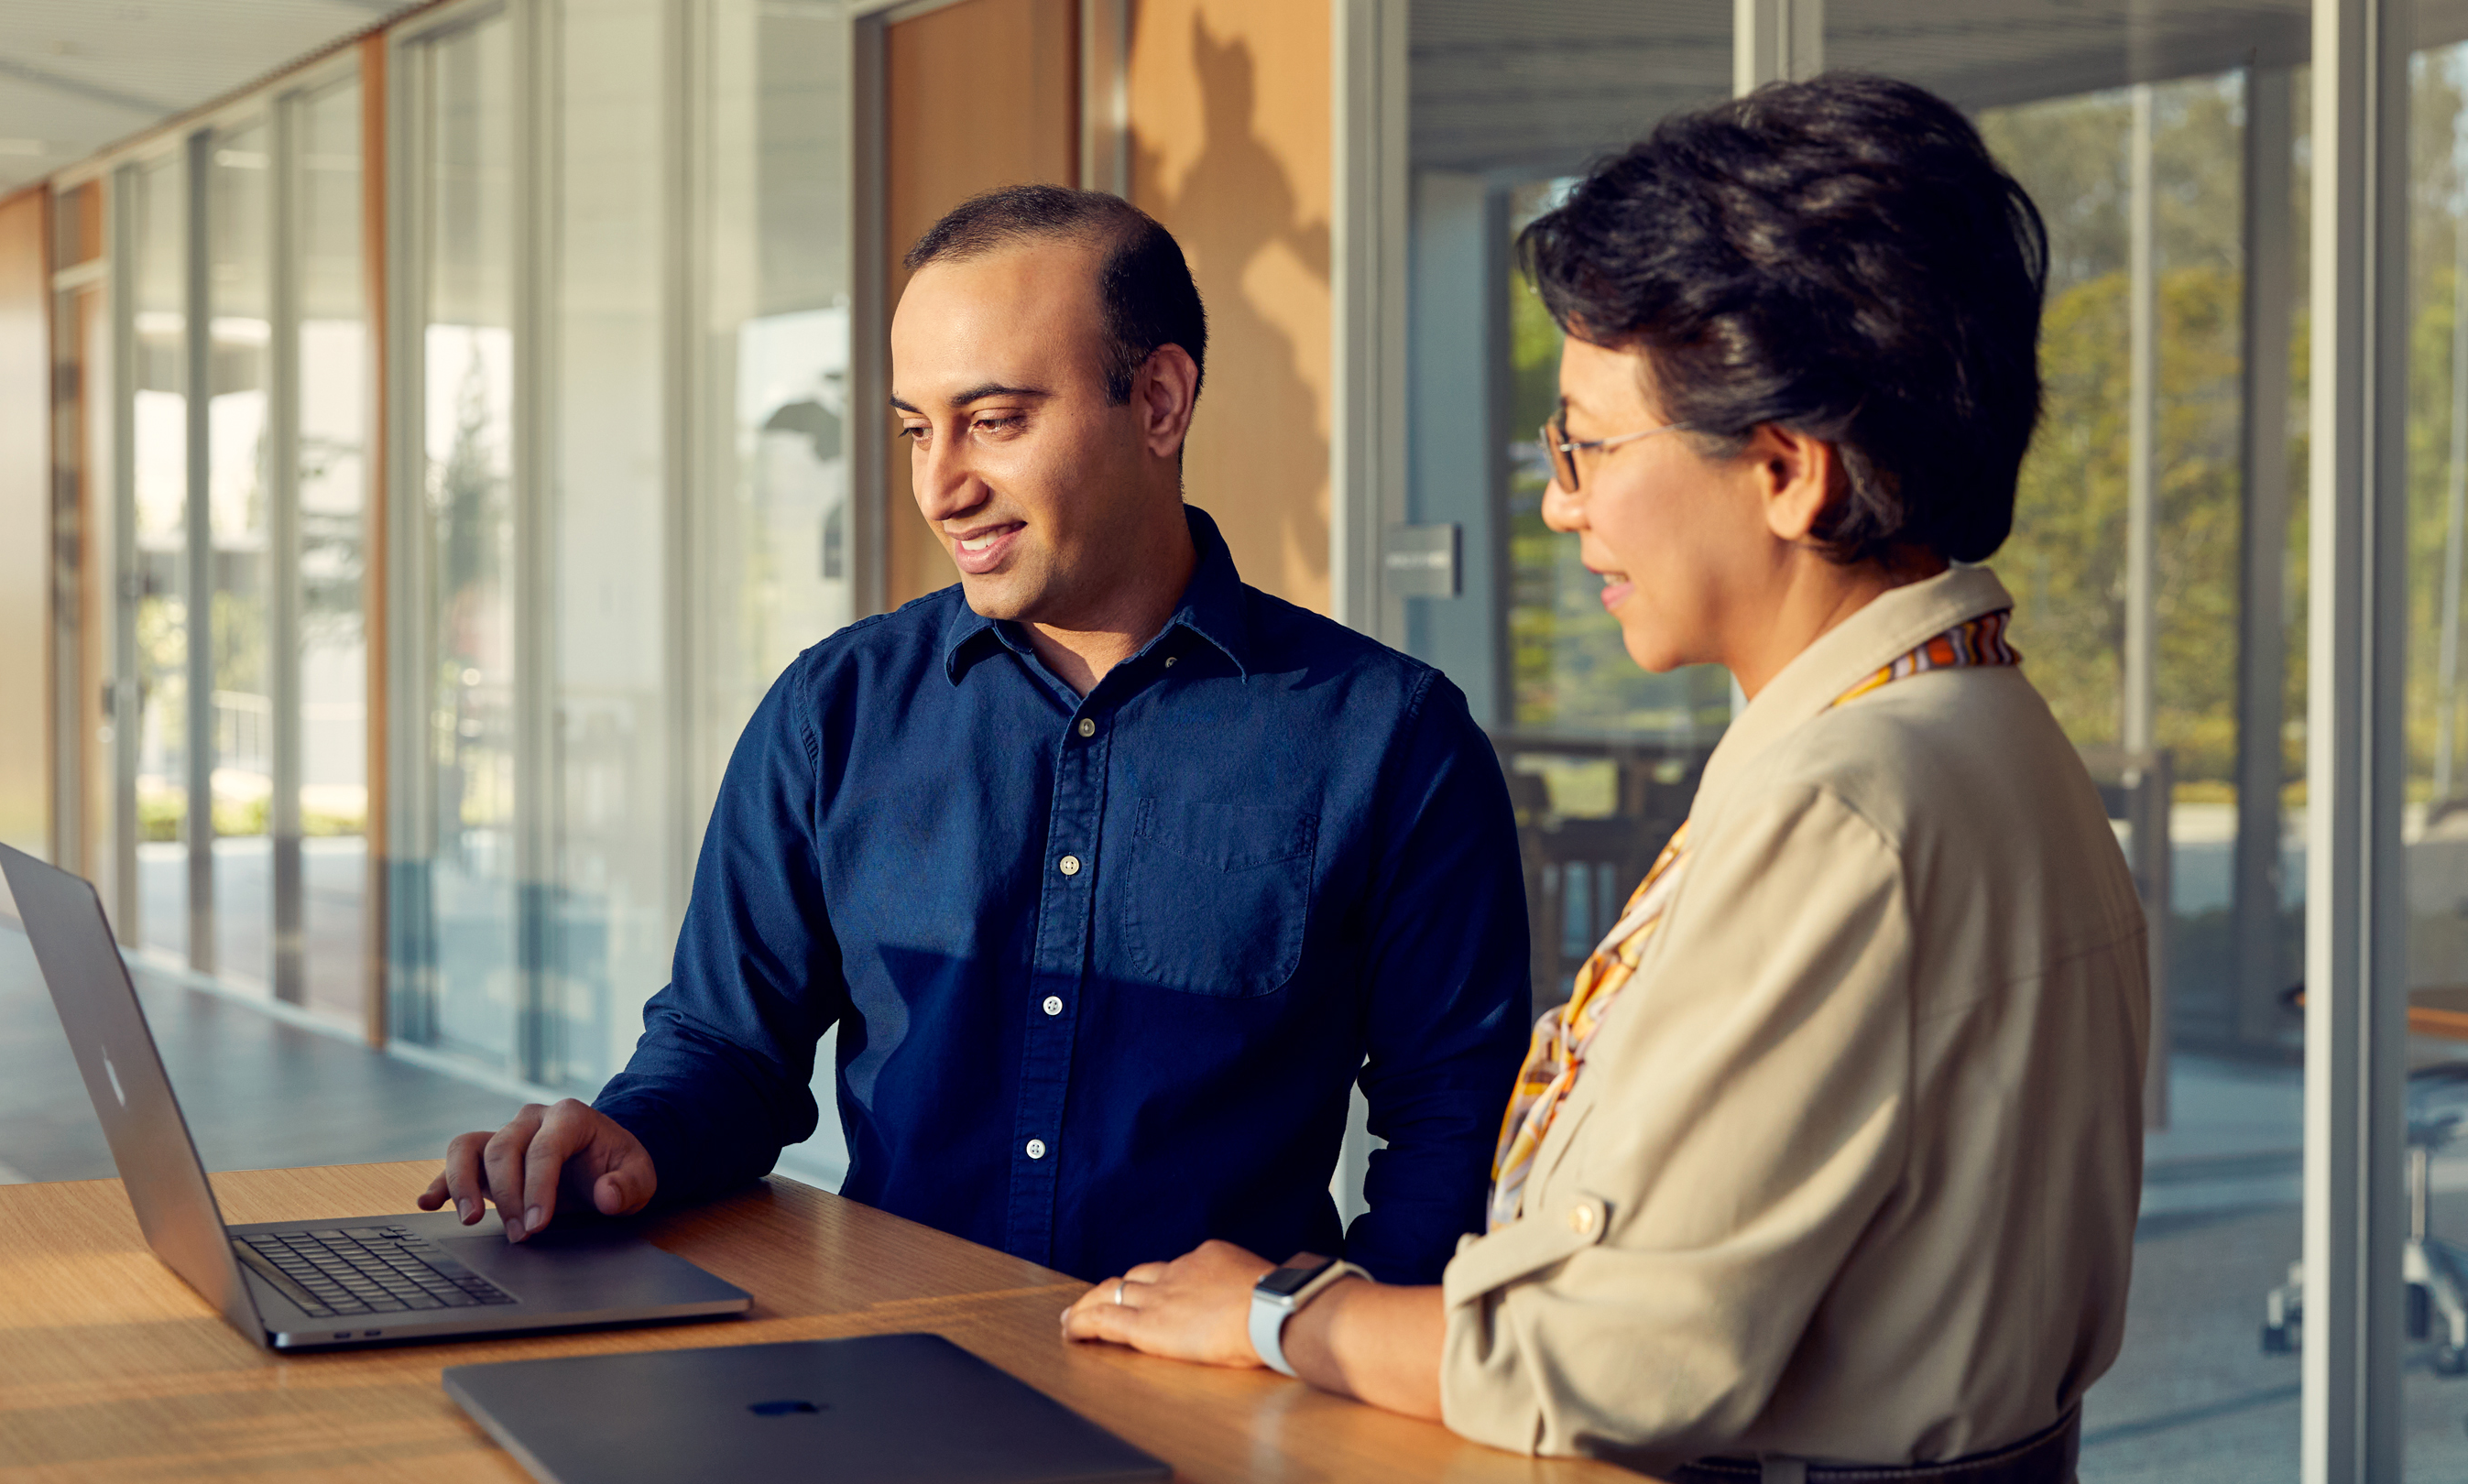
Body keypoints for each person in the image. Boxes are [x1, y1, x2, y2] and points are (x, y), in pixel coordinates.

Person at [1062, 75, 2146, 1484]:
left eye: (1585, 444)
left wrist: (1272, 1313)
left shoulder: (1846, 803)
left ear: (1786, 471)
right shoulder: (1980, 727)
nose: (1560, 500)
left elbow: (1609, 1363)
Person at [418, 186, 1531, 1285]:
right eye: (916, 429)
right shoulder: (830, 713)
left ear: (1158, 402)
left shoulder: (1392, 740)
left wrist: (1341, 1367)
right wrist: (635, 1143)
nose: (941, 486)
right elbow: (723, 1047)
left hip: (1219, 1412)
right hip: (891, 1377)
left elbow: (1448, 1128)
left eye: (994, 422)